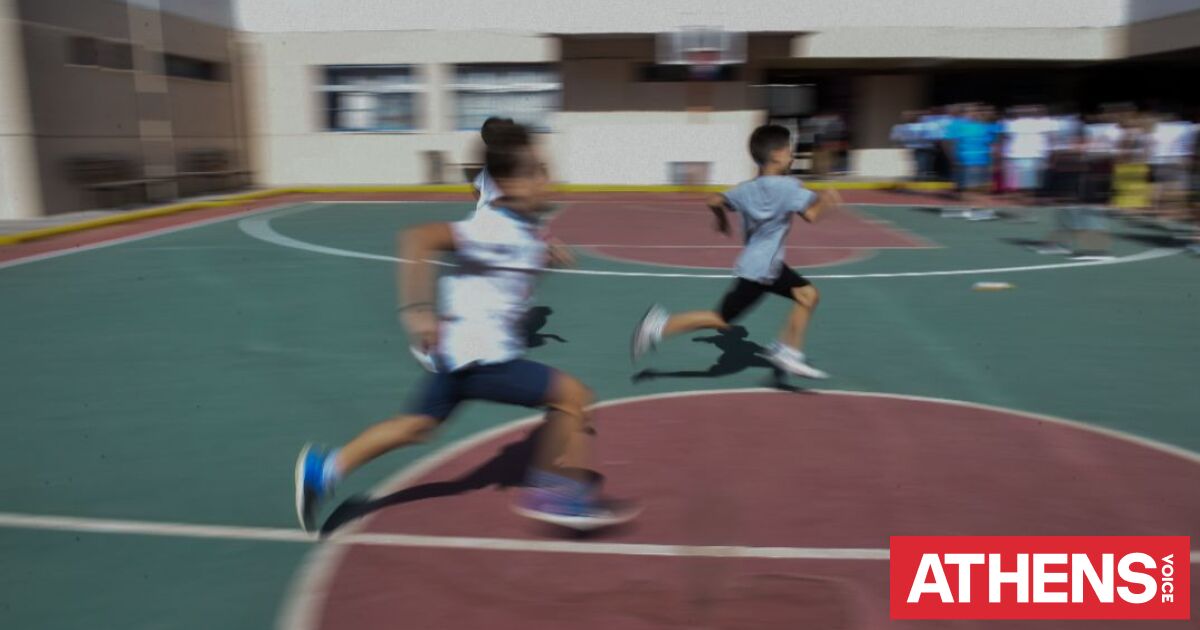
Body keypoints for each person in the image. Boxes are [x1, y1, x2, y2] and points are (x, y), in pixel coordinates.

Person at [296, 123, 638, 533]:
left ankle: (324, 469)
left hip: (456, 354)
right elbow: (418, 238)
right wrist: (417, 311)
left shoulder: (518, 228)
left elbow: (509, 273)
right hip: (482, 357)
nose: (547, 179)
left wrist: (544, 258)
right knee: (574, 399)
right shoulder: (494, 228)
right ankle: (557, 495)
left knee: (416, 426)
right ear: (508, 185)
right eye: (537, 172)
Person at [631, 124, 842, 379]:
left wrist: (721, 220)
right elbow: (812, 214)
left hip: (759, 265)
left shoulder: (745, 189)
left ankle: (786, 349)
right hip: (765, 269)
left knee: (808, 295)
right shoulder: (789, 187)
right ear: (776, 155)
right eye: (789, 151)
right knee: (720, 319)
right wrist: (827, 199)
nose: (792, 156)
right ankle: (657, 326)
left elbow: (714, 200)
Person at [943, 103, 999, 220]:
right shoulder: (959, 126)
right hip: (966, 161)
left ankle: (978, 209)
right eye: (970, 111)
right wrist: (953, 158)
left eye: (975, 111)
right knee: (968, 188)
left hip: (983, 161)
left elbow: (991, 144)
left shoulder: (983, 126)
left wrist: (992, 162)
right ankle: (972, 210)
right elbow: (948, 142)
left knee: (982, 188)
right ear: (965, 113)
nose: (973, 113)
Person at [470, 116, 514, 212]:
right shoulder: (503, 163)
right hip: (496, 213)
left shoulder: (489, 165)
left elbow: (476, 188)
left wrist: (484, 200)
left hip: (487, 211)